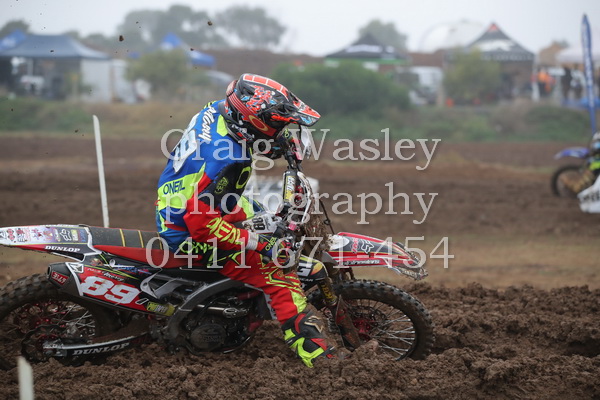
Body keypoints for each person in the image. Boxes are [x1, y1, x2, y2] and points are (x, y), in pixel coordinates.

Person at [155, 73, 335, 367]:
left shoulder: (217, 110)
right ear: (253, 122)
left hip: (185, 199)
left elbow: (245, 139)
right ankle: (320, 359)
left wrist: (278, 143)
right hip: (187, 230)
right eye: (276, 125)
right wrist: (262, 245)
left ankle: (246, 300)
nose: (281, 130)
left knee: (265, 216)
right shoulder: (228, 160)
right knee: (279, 272)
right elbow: (201, 226)